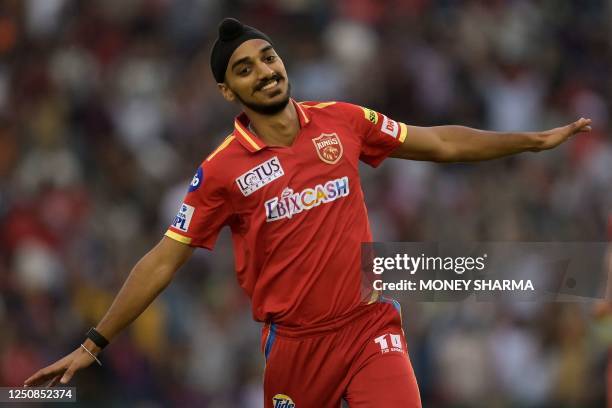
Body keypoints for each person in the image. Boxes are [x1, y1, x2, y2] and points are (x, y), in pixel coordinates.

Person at [24, 17, 592, 407]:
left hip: (369, 326)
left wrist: (531, 141)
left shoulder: (342, 120)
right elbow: (162, 262)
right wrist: (93, 344)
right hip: (295, 348)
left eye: (268, 57)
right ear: (228, 92)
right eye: (244, 69)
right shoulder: (221, 171)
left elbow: (439, 143)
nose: (264, 71)